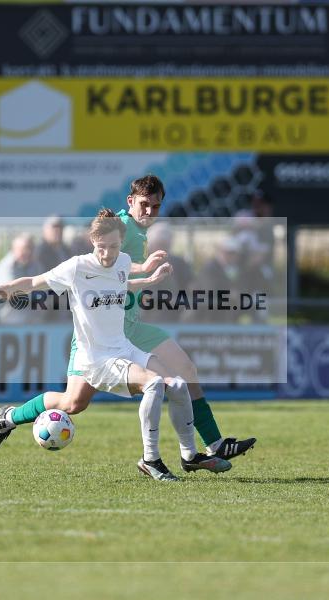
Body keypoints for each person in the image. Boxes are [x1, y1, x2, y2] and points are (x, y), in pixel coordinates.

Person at [0, 209, 232, 481]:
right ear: (91, 242)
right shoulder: (76, 267)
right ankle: (150, 459)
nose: (107, 254)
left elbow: (120, 282)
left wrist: (148, 277)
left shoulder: (121, 260)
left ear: (122, 241)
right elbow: (31, 283)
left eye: (114, 247)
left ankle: (189, 455)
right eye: (101, 247)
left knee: (172, 385)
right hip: (96, 358)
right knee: (154, 384)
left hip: (121, 348)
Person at [104, 175, 255, 458]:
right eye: (144, 204)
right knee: (72, 402)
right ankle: (10, 417)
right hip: (106, 332)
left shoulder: (136, 229)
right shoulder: (121, 227)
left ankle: (212, 446)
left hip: (133, 326)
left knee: (185, 371)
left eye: (156, 206)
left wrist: (147, 278)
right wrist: (146, 274)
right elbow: (103, 273)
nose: (150, 211)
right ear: (130, 201)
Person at [140, 222, 193, 323]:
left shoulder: (179, 263)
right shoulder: (140, 263)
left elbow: (191, 286)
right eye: (160, 244)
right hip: (148, 316)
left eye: (166, 245)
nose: (163, 249)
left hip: (175, 316)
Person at [0, 233, 43, 324]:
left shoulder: (36, 265)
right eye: (24, 248)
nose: (27, 252)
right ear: (13, 250)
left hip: (26, 317)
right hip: (1, 317)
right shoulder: (6, 266)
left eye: (30, 248)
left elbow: (44, 289)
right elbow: (12, 293)